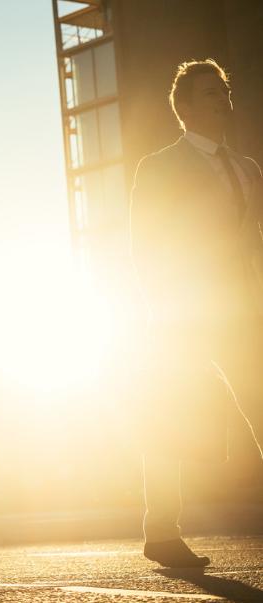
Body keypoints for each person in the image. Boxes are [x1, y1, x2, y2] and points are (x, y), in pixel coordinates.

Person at [129, 59, 263, 569]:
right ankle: (161, 531)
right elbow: (145, 240)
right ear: (182, 108)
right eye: (209, 92)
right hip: (183, 309)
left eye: (224, 90)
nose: (221, 99)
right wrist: (160, 305)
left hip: (242, 305)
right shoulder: (160, 166)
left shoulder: (248, 166)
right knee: (171, 417)